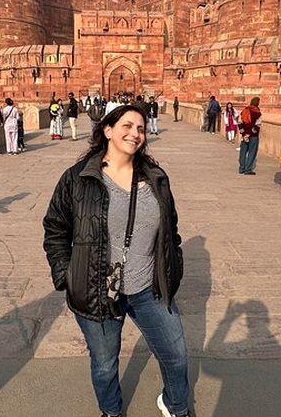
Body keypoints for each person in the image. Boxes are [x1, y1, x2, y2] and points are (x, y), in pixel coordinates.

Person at [43, 104, 190, 417]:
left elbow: (171, 231)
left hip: (148, 287)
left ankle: (176, 407)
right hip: (96, 289)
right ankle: (111, 411)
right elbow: (55, 228)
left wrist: (172, 268)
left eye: (140, 128)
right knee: (105, 364)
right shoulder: (78, 178)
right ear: (107, 130)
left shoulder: (156, 178)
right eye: (127, 125)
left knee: (176, 355)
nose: (135, 133)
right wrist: (67, 275)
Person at [238, 97, 262, 175]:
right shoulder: (257, 113)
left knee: (243, 151)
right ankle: (248, 169)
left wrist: (244, 134)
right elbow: (257, 125)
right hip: (253, 136)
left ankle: (241, 168)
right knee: (252, 152)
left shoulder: (244, 111)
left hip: (244, 135)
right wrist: (250, 134)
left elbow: (240, 123)